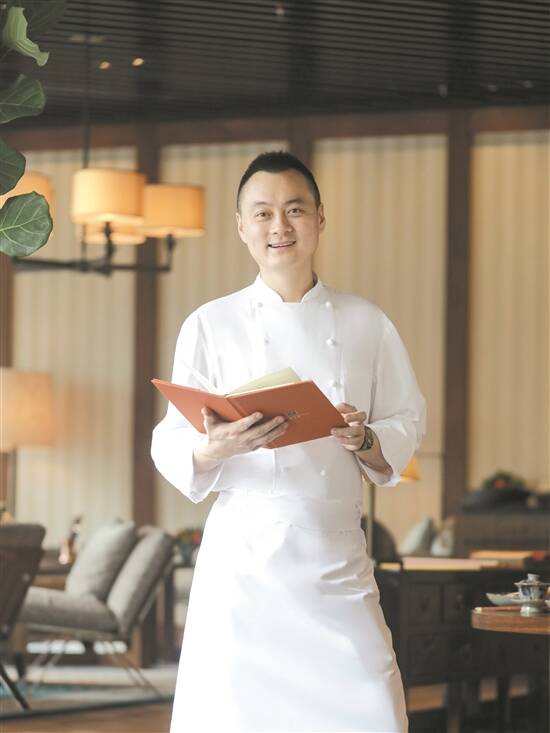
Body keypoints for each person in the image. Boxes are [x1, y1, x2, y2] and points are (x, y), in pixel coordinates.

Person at [151, 151, 426, 732]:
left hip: (334, 556)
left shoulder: (366, 322)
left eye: (295, 210)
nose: (280, 226)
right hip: (242, 565)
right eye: (263, 213)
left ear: (320, 218)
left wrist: (365, 437)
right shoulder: (209, 323)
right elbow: (172, 438)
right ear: (241, 226)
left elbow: (407, 419)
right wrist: (217, 447)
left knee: (375, 710)